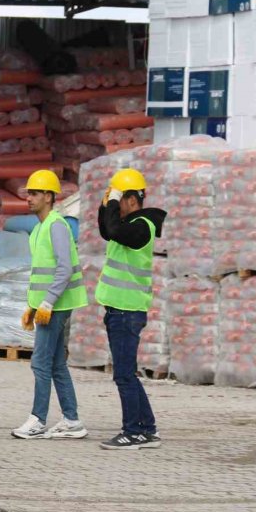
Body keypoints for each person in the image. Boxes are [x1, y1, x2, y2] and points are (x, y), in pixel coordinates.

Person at [12, 170, 89, 440]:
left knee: (40, 363)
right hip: (49, 305)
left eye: (34, 193)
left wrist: (47, 302)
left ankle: (38, 419)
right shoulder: (40, 228)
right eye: (28, 193)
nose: (28, 198)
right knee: (56, 364)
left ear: (48, 196)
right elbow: (42, 274)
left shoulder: (56, 225)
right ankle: (72, 420)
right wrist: (33, 306)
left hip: (56, 306)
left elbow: (64, 269)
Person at [95, 168, 167, 450]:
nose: (117, 206)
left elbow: (114, 229)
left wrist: (112, 204)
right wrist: (106, 205)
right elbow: (106, 230)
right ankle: (147, 429)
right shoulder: (129, 224)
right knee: (128, 373)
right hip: (119, 310)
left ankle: (132, 432)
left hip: (127, 312)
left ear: (131, 199)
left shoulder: (142, 227)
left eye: (119, 199)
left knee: (123, 375)